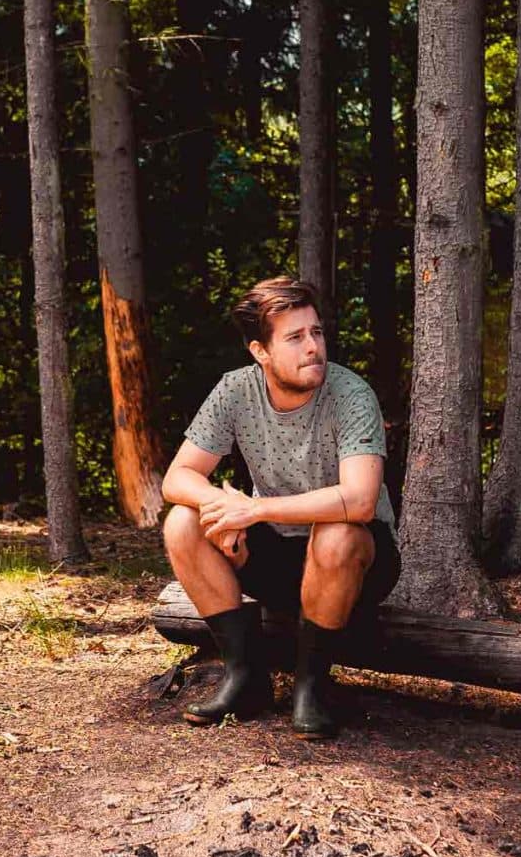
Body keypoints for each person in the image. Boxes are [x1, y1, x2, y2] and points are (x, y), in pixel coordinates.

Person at [162, 277, 399, 739]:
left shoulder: (350, 394)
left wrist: (254, 510)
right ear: (260, 351)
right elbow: (177, 477)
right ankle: (245, 676)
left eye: (316, 332)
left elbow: (359, 498)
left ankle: (312, 687)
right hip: (274, 554)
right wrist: (225, 508)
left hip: (356, 561)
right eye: (295, 337)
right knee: (183, 522)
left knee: (338, 529)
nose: (313, 347)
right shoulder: (235, 391)